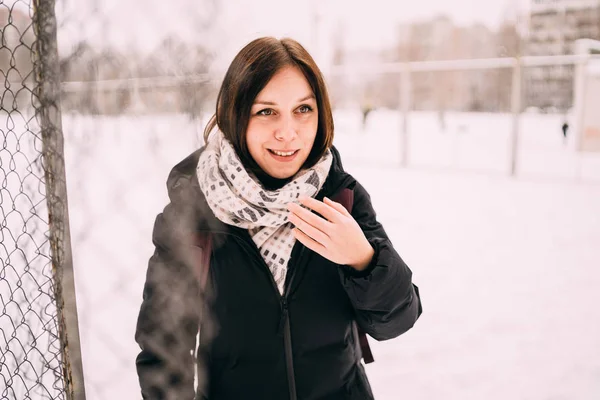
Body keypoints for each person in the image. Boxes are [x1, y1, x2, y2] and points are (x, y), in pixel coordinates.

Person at [135, 37, 422, 400]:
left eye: (303, 109)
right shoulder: (193, 213)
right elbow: (163, 350)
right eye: (266, 111)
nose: (288, 133)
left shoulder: (342, 197)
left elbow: (398, 320)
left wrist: (363, 260)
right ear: (236, 115)